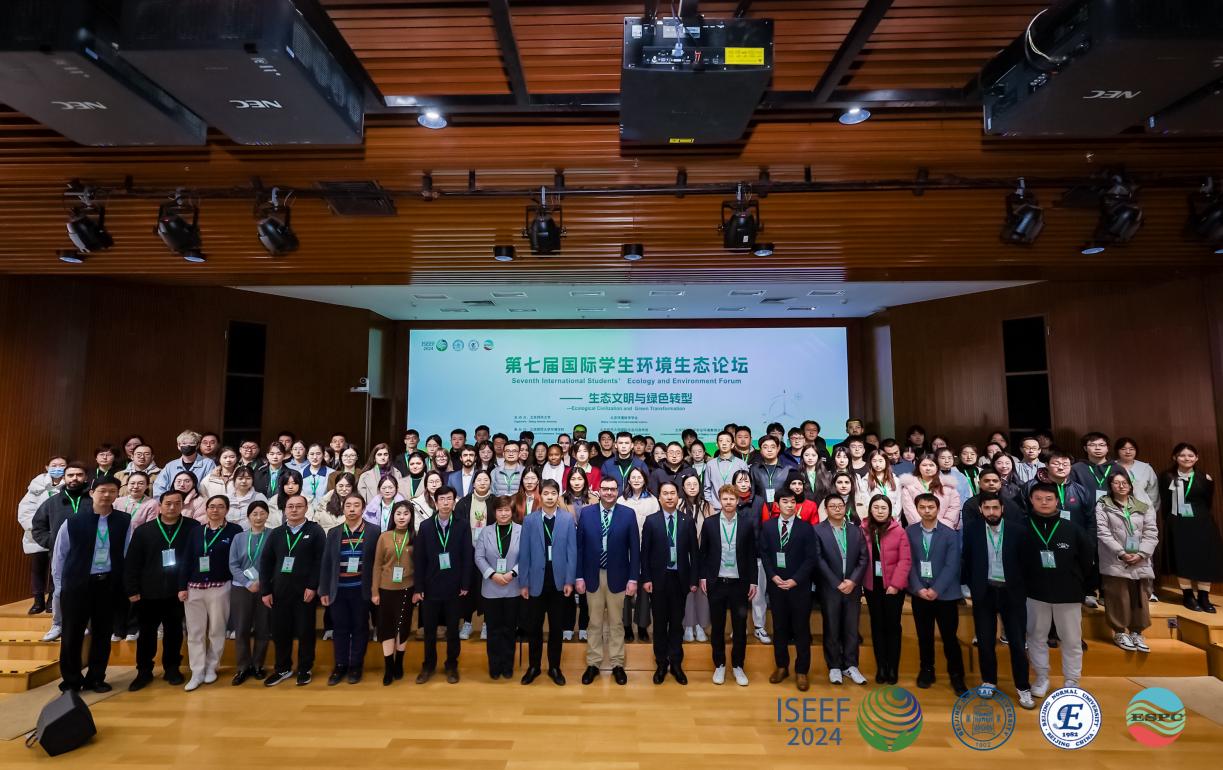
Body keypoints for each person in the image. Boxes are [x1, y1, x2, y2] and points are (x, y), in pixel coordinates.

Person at [51, 477, 130, 692]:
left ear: (117, 494)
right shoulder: (73, 521)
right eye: (102, 491)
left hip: (107, 584)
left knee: (103, 634)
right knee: (72, 633)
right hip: (77, 585)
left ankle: (96, 677)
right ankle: (71, 680)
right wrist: (59, 587)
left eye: (112, 491)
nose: (107, 495)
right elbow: (60, 555)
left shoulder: (124, 520)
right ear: (92, 493)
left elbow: (126, 553)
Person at [961, 492, 1033, 709]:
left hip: (1012, 593)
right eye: (987, 508)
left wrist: (1022, 588)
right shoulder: (972, 530)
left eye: (995, 508)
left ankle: (1023, 686)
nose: (991, 512)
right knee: (985, 641)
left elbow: (1026, 563)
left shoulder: (1018, 531)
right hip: (985, 592)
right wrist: (971, 585)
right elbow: (967, 559)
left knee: (1017, 643)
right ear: (981, 509)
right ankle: (989, 680)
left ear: (1002, 509)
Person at [124, 487, 199, 691]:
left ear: (182, 505)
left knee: (174, 632)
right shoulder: (144, 531)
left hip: (178, 591)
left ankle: (172, 668)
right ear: (160, 505)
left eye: (177, 503)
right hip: (148, 592)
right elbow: (132, 562)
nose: (172, 507)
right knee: (146, 634)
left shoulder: (192, 528)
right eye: (168, 503)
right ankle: (144, 671)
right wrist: (132, 590)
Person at [1022, 482, 1094, 696]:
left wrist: (1079, 584)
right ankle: (1041, 677)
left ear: (1057, 501)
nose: (1043, 503)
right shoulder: (1022, 527)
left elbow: (1086, 560)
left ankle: (1072, 680)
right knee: (1036, 637)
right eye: (1038, 498)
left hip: (1067, 593)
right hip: (1034, 592)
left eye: (1049, 499)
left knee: (1071, 639)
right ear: (1031, 500)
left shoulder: (1072, 528)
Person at [576, 476, 640, 686]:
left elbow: (635, 549)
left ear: (618, 491)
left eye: (613, 489)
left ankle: (617, 664)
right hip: (592, 576)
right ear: (599, 491)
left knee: (616, 623)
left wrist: (633, 578)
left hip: (618, 576)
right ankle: (593, 664)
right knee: (594, 622)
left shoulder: (628, 514)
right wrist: (579, 576)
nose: (609, 492)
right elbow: (579, 548)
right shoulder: (586, 513)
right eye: (605, 489)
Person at [260, 494, 326, 687]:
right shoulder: (277, 533)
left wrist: (313, 586)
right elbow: (266, 562)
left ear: (306, 509)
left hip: (305, 593)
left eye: (299, 506)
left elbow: (320, 561)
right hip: (279, 592)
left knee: (305, 632)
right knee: (280, 632)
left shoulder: (315, 531)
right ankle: (282, 668)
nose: (294, 510)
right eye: (290, 506)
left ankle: (305, 668)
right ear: (284, 510)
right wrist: (265, 590)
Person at [905, 492, 967, 695]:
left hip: (945, 595)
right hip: (920, 594)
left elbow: (952, 565)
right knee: (924, 636)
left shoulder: (949, 533)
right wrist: (918, 588)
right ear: (917, 509)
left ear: (938, 509)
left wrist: (936, 589)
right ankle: (927, 670)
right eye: (922, 507)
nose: (927, 511)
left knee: (949, 638)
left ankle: (956, 675)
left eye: (931, 507)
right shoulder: (910, 532)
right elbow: (908, 562)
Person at [759, 482, 817, 691]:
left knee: (801, 629)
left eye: (793, 502)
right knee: (780, 628)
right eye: (785, 502)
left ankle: (802, 671)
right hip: (777, 586)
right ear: (777, 504)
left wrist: (795, 580)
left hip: (799, 586)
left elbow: (811, 558)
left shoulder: (806, 528)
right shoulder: (768, 526)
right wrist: (773, 577)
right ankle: (781, 666)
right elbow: (764, 554)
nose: (790, 505)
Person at [180, 495, 242, 691]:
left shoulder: (235, 531)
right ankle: (197, 671)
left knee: (217, 630)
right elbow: (187, 559)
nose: (215, 510)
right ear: (206, 509)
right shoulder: (196, 531)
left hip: (220, 587)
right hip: (194, 587)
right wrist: (182, 586)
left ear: (227, 510)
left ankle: (212, 667)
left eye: (220, 506)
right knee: (195, 632)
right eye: (212, 506)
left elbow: (237, 559)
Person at [519, 479, 577, 686]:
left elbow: (572, 552)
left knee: (556, 628)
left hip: (559, 582)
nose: (550, 497)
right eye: (546, 493)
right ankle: (534, 666)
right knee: (534, 627)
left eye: (553, 493)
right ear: (540, 495)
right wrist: (523, 582)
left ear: (558, 495)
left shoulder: (567, 519)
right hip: (536, 582)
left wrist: (570, 580)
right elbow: (524, 553)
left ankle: (554, 667)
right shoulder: (530, 520)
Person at [640, 481, 698, 685]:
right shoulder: (651, 521)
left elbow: (694, 553)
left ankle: (676, 664)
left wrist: (693, 579)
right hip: (658, 581)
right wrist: (646, 578)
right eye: (665, 493)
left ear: (678, 497)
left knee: (676, 624)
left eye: (673, 493)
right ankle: (661, 664)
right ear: (659, 497)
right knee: (659, 625)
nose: (669, 496)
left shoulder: (686, 521)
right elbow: (644, 554)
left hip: (680, 581)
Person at [699, 485, 757, 686]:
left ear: (738, 501)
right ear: (720, 500)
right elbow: (703, 553)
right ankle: (720, 664)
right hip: (717, 583)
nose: (729, 502)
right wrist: (703, 577)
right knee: (717, 627)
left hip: (740, 583)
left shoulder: (747, 524)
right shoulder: (709, 523)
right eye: (725, 499)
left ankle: (738, 665)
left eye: (732, 499)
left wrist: (753, 581)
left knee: (740, 627)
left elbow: (751, 554)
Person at [320, 494, 380, 685]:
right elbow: (327, 563)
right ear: (343, 508)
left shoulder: (374, 531)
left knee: (360, 628)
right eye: (348, 505)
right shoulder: (334, 532)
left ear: (363, 508)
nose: (352, 509)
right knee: (340, 629)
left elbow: (378, 563)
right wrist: (324, 590)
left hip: (361, 589)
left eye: (356, 505)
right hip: (339, 590)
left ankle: (356, 665)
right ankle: (340, 665)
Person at [1096, 471, 1159, 652]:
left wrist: (1142, 553)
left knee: (1140, 597)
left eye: (1124, 482)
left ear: (1130, 485)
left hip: (1140, 559)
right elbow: (1103, 532)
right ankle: (1119, 632)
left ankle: (1137, 632)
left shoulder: (1143, 505)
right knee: (1118, 596)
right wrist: (1122, 553)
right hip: (1115, 558)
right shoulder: (1103, 505)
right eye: (1116, 483)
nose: (1121, 486)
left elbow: (1151, 532)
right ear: (1110, 486)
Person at [414, 486, 471, 683]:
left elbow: (467, 556)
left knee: (453, 630)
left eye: (449, 499)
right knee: (429, 630)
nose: (446, 503)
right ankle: (428, 665)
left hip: (454, 587)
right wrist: (419, 587)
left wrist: (465, 583)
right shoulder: (426, 526)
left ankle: (451, 665)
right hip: (431, 587)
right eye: (442, 499)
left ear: (454, 501)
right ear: (436, 502)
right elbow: (419, 559)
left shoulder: (463, 525)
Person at [31, 461, 91, 640]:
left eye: (79, 475)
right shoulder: (52, 502)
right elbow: (38, 527)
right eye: (70, 475)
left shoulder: (93, 500)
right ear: (64, 478)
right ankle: (57, 625)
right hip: (61, 556)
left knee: (85, 592)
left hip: (88, 555)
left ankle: (84, 625)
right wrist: (52, 542)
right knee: (59, 591)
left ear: (85, 478)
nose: (74, 478)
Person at [1029, 452, 1097, 607]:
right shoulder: (1032, 488)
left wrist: (1089, 543)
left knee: (1071, 580)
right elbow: (1025, 516)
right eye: (1056, 463)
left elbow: (1090, 520)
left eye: (1065, 464)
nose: (1061, 467)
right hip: (1042, 543)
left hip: (1073, 544)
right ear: (1046, 465)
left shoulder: (1081, 490)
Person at [813, 494, 868, 685]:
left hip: (852, 588)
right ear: (826, 509)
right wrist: (836, 582)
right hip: (830, 587)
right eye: (833, 506)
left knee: (851, 628)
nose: (837, 509)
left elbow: (863, 558)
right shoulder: (817, 530)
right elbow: (818, 559)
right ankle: (834, 666)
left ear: (845, 508)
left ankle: (851, 665)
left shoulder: (856, 531)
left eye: (840, 505)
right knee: (832, 627)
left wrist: (852, 581)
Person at [1159, 443, 1220, 612]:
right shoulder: (1167, 477)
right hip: (1177, 522)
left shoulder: (1205, 478)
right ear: (1175, 457)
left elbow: (1208, 502)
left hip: (1202, 522)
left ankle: (1204, 596)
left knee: (1205, 558)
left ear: (1197, 458)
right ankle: (1188, 595)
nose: (1187, 458)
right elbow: (1165, 501)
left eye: (1191, 455)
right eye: (1182, 455)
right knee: (1182, 557)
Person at [861, 494, 910, 685]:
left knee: (893, 626)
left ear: (890, 511)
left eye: (884, 508)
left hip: (893, 588)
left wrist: (895, 585)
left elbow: (905, 560)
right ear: (870, 509)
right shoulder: (863, 530)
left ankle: (892, 668)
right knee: (877, 626)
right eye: (876, 507)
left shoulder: (899, 531)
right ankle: (881, 667)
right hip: (872, 587)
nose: (880, 511)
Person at [475, 496, 521, 679]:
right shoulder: (485, 532)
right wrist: (492, 574)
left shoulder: (521, 531)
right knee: (493, 630)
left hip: (513, 587)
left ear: (512, 512)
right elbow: (479, 557)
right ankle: (494, 666)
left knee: (509, 629)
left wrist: (512, 573)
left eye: (507, 510)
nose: (503, 513)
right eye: (500, 510)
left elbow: (526, 556)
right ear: (494, 512)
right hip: (491, 588)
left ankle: (508, 666)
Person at [229, 500, 273, 685]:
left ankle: (258, 665)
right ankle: (242, 667)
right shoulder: (239, 538)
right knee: (242, 628)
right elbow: (233, 564)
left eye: (262, 513)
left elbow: (275, 562)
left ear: (267, 515)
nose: (258, 517)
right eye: (254, 514)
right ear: (248, 516)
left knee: (263, 628)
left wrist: (263, 582)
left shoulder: (273, 535)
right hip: (241, 588)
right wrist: (247, 582)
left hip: (265, 589)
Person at [371, 500, 416, 686]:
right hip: (385, 589)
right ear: (393, 516)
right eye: (398, 514)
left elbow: (420, 566)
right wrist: (375, 591)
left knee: (402, 627)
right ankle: (388, 667)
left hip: (407, 589)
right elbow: (377, 566)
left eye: (405, 513)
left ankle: (399, 663)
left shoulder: (415, 537)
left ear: (411, 516)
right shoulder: (384, 537)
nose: (402, 517)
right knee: (386, 628)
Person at [18, 456, 66, 614]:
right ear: (47, 467)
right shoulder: (36, 486)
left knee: (56, 568)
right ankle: (38, 601)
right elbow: (25, 510)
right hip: (38, 534)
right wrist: (37, 528)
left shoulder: (69, 486)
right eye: (54, 465)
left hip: (59, 534)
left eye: (61, 465)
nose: (57, 468)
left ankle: (52, 599)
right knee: (38, 568)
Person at [619, 466, 658, 642]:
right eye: (633, 477)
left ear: (645, 480)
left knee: (643, 588)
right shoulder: (621, 499)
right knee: (625, 588)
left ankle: (642, 626)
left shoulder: (652, 500)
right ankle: (626, 626)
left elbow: (656, 525)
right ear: (628, 480)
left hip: (646, 549)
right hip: (625, 550)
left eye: (639, 477)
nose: (636, 480)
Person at [678, 470, 712, 643]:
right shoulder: (678, 504)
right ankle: (688, 625)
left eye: (695, 484)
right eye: (688, 485)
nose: (692, 487)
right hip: (683, 554)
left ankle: (700, 624)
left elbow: (712, 530)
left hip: (703, 553)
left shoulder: (707, 506)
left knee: (702, 589)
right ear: (683, 488)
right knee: (687, 590)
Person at [899, 456, 961, 529]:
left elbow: (954, 507)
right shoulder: (909, 486)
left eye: (931, 465)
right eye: (924, 465)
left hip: (944, 528)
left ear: (937, 467)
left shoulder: (948, 486)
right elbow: (909, 510)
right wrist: (923, 526)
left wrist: (942, 526)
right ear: (918, 467)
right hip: (918, 528)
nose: (928, 468)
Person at [153, 430, 216, 496]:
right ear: (178, 446)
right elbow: (159, 488)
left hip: (199, 501)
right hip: (174, 501)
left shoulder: (208, 464)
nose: (187, 446)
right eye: (184, 443)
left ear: (197, 445)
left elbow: (211, 487)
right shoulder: (170, 466)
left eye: (191, 443)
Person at [703, 431, 748, 508]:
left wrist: (740, 504)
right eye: (721, 441)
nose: (724, 443)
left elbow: (746, 486)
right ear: (717, 445)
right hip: (716, 508)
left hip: (737, 507)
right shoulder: (710, 464)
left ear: (732, 445)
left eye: (727, 441)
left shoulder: (741, 464)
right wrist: (711, 506)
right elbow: (707, 488)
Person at [301, 444, 333, 509]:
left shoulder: (332, 473)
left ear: (323, 455)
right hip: (305, 510)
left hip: (325, 509)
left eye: (318, 454)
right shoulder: (299, 473)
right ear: (307, 456)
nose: (315, 457)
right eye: (312, 454)